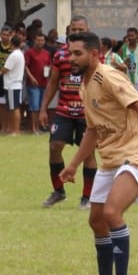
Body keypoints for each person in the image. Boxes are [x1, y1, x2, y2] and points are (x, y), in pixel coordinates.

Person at [61, 32, 138, 275]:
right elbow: (93, 131)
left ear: (94, 55)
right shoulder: (84, 85)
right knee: (96, 220)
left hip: (135, 156)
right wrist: (72, 166)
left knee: (111, 213)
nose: (71, 58)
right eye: (69, 53)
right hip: (110, 159)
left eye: (77, 53)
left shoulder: (107, 76)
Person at [40, 15, 97, 209]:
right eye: (74, 30)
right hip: (64, 110)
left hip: (87, 113)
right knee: (55, 147)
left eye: (81, 30)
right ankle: (58, 191)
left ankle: (87, 197)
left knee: (88, 154)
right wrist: (43, 108)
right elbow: (53, 83)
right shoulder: (60, 55)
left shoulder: (94, 55)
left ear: (87, 31)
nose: (77, 33)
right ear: (68, 32)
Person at [24, 31, 51, 134]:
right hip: (33, 84)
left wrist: (48, 73)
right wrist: (31, 78)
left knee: (41, 106)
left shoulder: (47, 53)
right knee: (34, 107)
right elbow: (26, 66)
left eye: (42, 40)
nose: (40, 42)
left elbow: (49, 65)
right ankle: (34, 128)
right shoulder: (29, 52)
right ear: (34, 41)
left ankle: (40, 127)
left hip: (44, 83)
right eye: (38, 40)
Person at [1, 37, 25, 135]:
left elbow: (5, 69)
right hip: (16, 84)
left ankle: (15, 130)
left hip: (12, 84)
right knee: (13, 107)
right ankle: (12, 129)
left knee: (14, 108)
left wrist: (0, 70)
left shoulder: (13, 55)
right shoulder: (20, 54)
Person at [118, 27, 138, 98]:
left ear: (136, 36)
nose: (130, 38)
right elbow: (118, 63)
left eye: (132, 36)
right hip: (127, 80)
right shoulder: (123, 49)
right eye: (128, 36)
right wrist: (124, 63)